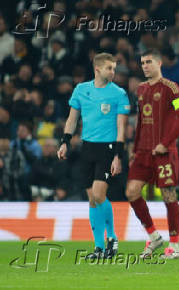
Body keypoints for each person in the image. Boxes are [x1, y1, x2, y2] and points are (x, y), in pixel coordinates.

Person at [57, 53, 130, 259]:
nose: (113, 72)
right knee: (92, 199)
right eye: (109, 68)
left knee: (98, 195)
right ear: (97, 69)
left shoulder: (119, 94)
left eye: (114, 69)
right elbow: (72, 119)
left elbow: (121, 127)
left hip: (107, 149)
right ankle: (98, 248)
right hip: (87, 148)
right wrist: (65, 141)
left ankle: (113, 238)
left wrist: (118, 156)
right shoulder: (81, 90)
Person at [125, 49, 179, 260]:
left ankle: (174, 246)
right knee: (132, 192)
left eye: (149, 62)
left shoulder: (172, 88)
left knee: (169, 196)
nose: (145, 66)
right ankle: (154, 236)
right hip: (143, 152)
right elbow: (141, 122)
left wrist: (165, 143)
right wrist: (134, 151)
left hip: (164, 153)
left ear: (159, 63)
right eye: (142, 62)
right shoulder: (141, 89)